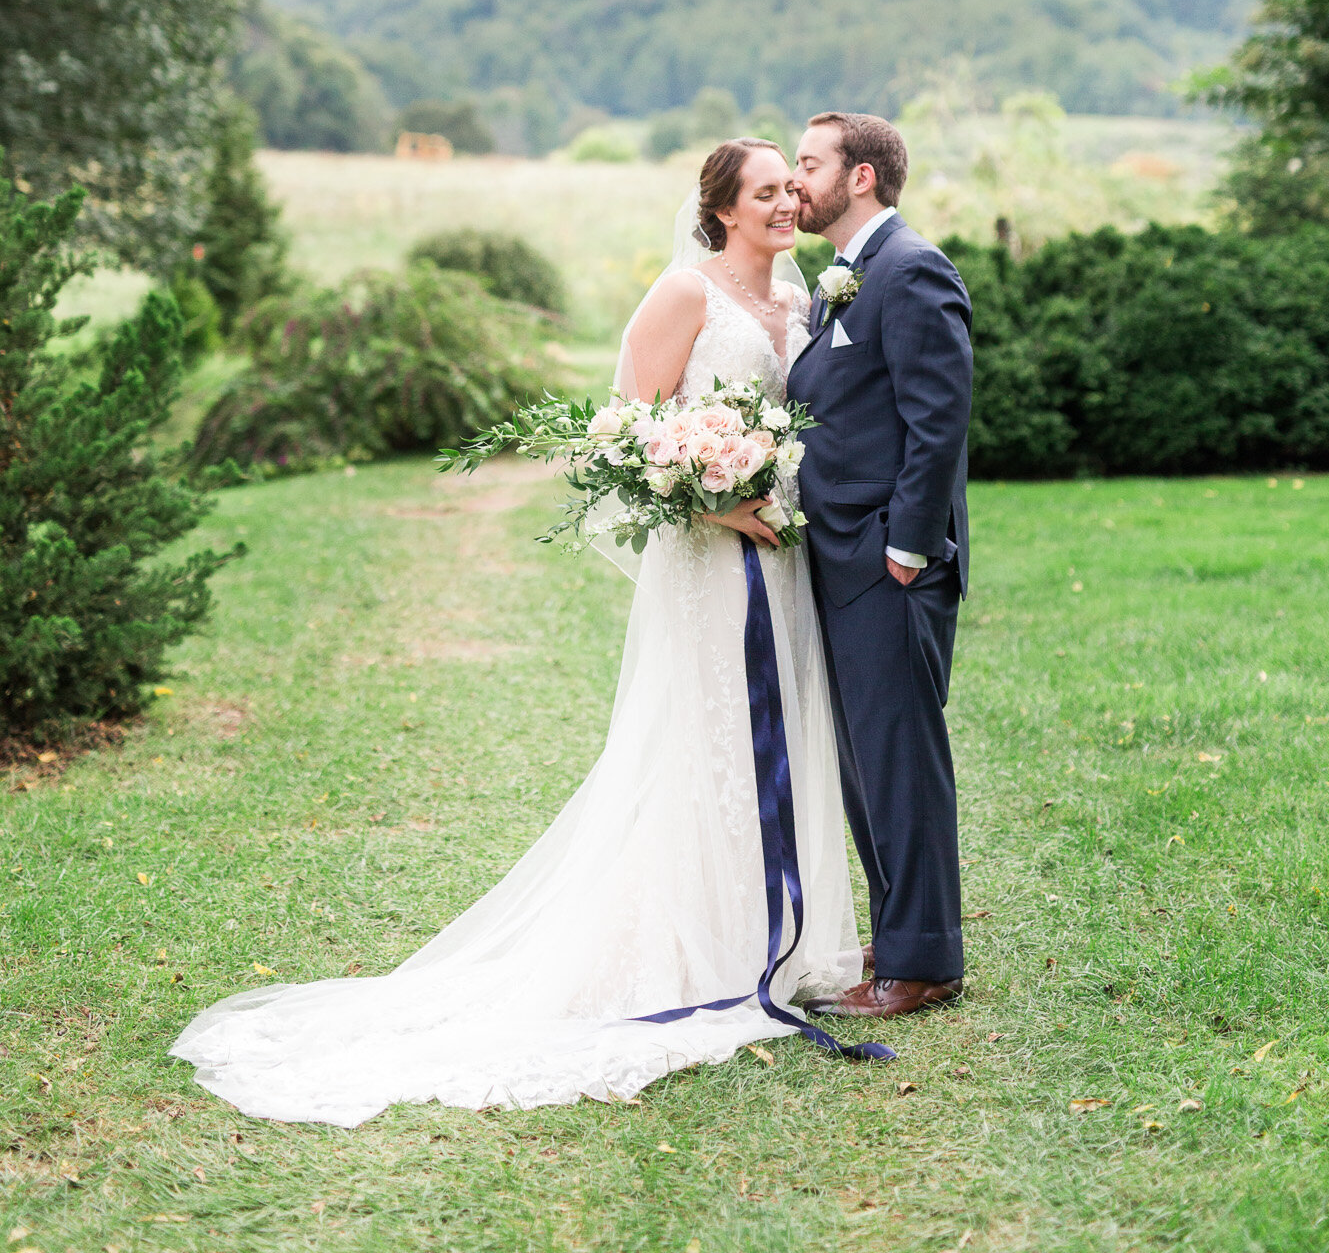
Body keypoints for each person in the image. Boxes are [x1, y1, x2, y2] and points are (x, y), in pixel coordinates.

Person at [170, 139, 861, 1124]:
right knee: (697, 739)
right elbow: (623, 428)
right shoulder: (683, 293)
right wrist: (711, 500)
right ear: (721, 206)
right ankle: (688, 948)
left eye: (794, 188)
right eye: (767, 191)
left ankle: (770, 937)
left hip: (781, 558)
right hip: (710, 564)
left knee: (775, 737)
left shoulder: (798, 302)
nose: (788, 201)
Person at [786, 111, 973, 1020]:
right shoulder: (844, 279)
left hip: (886, 562)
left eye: (809, 163)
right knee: (866, 763)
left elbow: (939, 419)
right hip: (842, 557)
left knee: (899, 760)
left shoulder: (911, 268)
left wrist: (903, 547)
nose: (795, 180)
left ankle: (923, 963)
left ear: (860, 177)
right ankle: (901, 932)